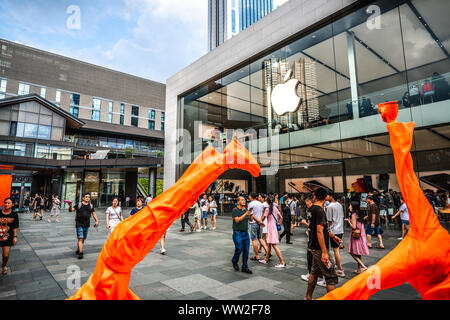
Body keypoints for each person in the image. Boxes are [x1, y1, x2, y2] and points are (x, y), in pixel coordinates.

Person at [305, 188, 338, 300]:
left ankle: (308, 297)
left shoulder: (311, 209)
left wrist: (333, 236)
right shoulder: (320, 211)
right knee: (330, 276)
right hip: (319, 248)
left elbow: (320, 229)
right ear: (325, 198)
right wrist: (324, 252)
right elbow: (319, 231)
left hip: (313, 246)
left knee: (314, 273)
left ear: (314, 197)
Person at [68, 193, 99, 259]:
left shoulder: (90, 206)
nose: (87, 198)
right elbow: (71, 210)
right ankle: (80, 253)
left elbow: (94, 214)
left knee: (83, 239)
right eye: (86, 197)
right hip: (79, 224)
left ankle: (79, 248)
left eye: (88, 197)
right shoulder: (79, 205)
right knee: (80, 238)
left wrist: (96, 221)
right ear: (83, 198)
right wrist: (70, 206)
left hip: (86, 225)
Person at [258, 196, 286, 268]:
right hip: (274, 228)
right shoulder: (275, 208)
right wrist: (279, 223)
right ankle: (265, 259)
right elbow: (281, 217)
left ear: (267, 202)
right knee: (269, 244)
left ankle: (282, 262)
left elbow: (263, 218)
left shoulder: (267, 209)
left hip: (270, 228)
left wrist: (263, 211)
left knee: (273, 245)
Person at [346, 201, 369, 274]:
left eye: (350, 205)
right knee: (358, 252)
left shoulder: (353, 214)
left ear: (353, 207)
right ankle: (359, 269)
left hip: (356, 235)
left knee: (352, 252)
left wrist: (349, 222)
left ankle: (363, 266)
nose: (349, 207)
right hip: (361, 234)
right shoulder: (359, 214)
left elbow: (354, 226)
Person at [231, 196, 253, 274]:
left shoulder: (246, 210)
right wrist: (245, 214)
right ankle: (234, 261)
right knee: (239, 248)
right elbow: (237, 220)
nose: (244, 201)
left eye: (244, 200)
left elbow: (250, 220)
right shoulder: (235, 210)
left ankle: (245, 266)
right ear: (238, 201)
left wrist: (250, 215)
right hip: (237, 233)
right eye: (242, 200)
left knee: (246, 250)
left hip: (245, 232)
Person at [326, 192, 345, 278]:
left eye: (327, 195)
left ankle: (340, 269)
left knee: (336, 250)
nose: (326, 197)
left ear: (331, 196)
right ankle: (338, 267)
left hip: (333, 230)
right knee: (337, 250)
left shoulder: (330, 206)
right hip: (340, 229)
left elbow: (329, 220)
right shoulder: (340, 205)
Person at [248, 192, 269, 261]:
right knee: (260, 238)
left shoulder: (250, 204)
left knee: (254, 239)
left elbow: (251, 214)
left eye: (249, 196)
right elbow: (262, 213)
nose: (248, 197)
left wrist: (257, 220)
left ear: (251, 197)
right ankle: (267, 252)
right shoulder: (260, 204)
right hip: (260, 222)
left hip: (253, 223)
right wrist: (260, 221)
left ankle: (257, 256)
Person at [0, 198, 19, 275]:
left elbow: (15, 226)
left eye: (8, 203)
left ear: (12, 204)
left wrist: (15, 236)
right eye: (5, 203)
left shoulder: (14, 214)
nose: (6, 204)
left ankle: (4, 265)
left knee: (5, 255)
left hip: (7, 237)